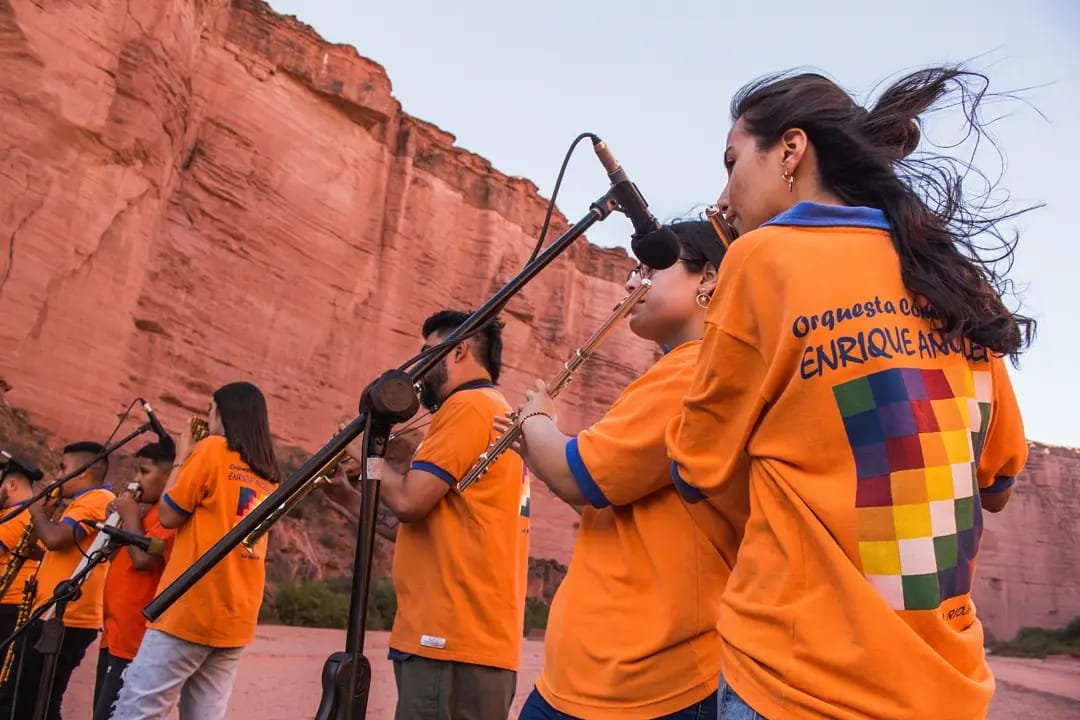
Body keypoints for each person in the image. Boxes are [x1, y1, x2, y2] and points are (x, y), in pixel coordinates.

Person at [666, 68, 1032, 719]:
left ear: (790, 150)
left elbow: (695, 468)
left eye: (732, 161)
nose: (724, 193)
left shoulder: (762, 257)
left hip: (799, 679)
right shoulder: (951, 277)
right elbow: (997, 481)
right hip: (944, 686)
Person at [509, 221, 742, 719]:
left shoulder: (696, 370)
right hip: (592, 676)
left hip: (643, 684)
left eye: (651, 269)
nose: (633, 283)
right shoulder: (675, 372)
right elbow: (609, 502)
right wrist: (536, 449)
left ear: (708, 278)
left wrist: (537, 419)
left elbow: (578, 475)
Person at [323, 311, 530, 720]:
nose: (419, 368)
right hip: (472, 643)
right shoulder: (495, 410)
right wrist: (350, 499)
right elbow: (420, 526)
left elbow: (408, 502)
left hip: (447, 639)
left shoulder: (468, 406)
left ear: (459, 351)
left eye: (428, 352)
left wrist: (366, 454)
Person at [111, 382, 278, 720]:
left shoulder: (213, 449)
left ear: (224, 415)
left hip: (191, 606)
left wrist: (182, 457)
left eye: (210, 410)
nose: (207, 419)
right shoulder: (268, 475)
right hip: (236, 616)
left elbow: (169, 515)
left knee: (138, 710)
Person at [0, 442, 115, 720]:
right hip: (53, 612)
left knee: (34, 701)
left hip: (67, 616)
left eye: (64, 468)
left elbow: (55, 539)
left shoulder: (97, 499)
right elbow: (60, 550)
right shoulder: (81, 502)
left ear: (83, 472)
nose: (59, 476)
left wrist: (38, 511)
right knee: (27, 699)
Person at [92, 440, 176, 720]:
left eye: (144, 472)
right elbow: (116, 557)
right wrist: (118, 523)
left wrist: (129, 518)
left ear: (169, 475)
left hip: (135, 639)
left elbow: (143, 561)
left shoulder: (166, 519)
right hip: (114, 632)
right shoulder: (146, 514)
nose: (136, 480)